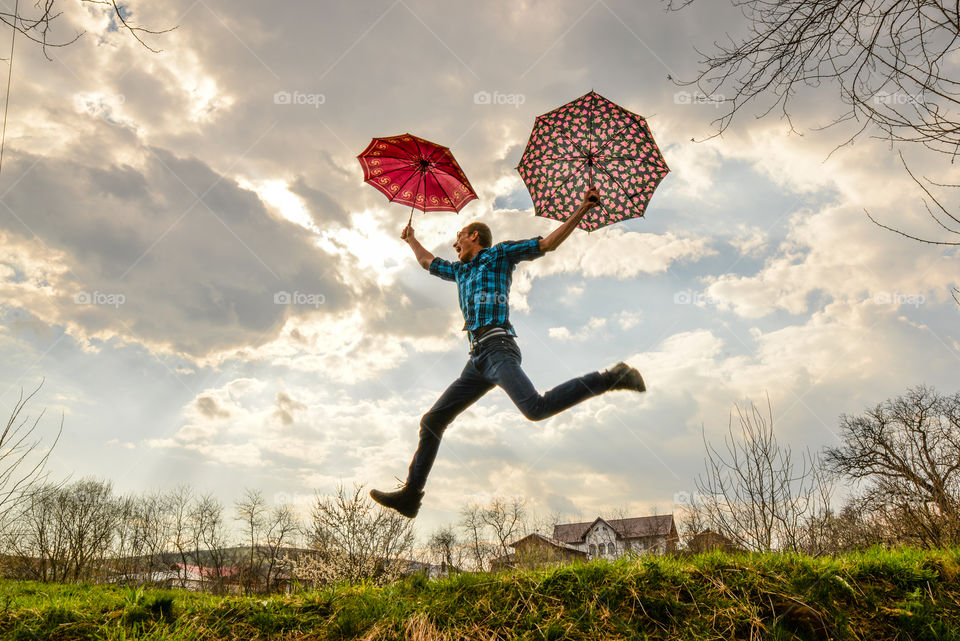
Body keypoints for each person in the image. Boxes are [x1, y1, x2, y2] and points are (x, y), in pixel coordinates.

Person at [370, 188, 646, 518]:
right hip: (477, 361)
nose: (455, 244)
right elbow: (428, 262)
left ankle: (612, 378)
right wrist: (411, 239)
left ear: (474, 236)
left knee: (535, 408)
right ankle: (411, 496)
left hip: (500, 348)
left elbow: (547, 244)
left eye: (459, 237)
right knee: (432, 420)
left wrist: (582, 209)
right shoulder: (461, 271)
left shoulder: (498, 255)